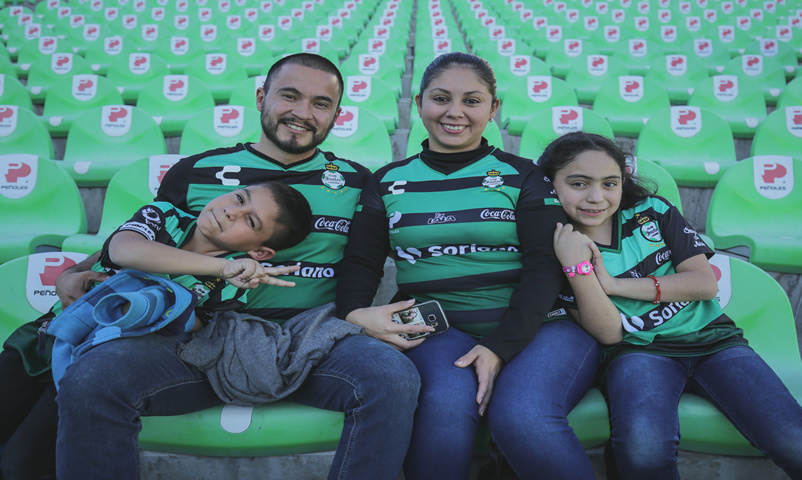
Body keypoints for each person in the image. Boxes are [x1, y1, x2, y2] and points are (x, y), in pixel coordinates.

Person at [52, 53, 424, 480]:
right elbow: (147, 234)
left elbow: (369, 259)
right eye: (289, 96)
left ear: (336, 116)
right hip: (196, 337)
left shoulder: (358, 181)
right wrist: (73, 271)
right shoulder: (195, 171)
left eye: (321, 104)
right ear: (262, 97)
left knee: (392, 377)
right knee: (92, 379)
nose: (303, 113)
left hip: (312, 339)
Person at [335, 52, 601, 479]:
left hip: (542, 327)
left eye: (472, 101)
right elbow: (362, 262)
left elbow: (544, 267)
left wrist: (499, 347)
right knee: (443, 408)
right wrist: (353, 312)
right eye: (441, 98)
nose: (454, 112)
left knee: (523, 416)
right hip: (438, 327)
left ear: (494, 109)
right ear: (419, 103)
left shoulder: (524, 176)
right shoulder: (385, 181)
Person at [0, 182, 308, 480]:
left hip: (87, 360)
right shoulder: (165, 215)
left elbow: (188, 327)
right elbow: (123, 250)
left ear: (259, 253)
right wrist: (221, 268)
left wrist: (174, 303)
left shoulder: (234, 285)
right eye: (239, 199)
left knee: (19, 464)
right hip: (44, 337)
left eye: (250, 222)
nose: (231, 212)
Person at [538, 131, 802, 479]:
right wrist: (578, 268)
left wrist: (616, 285)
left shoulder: (654, 211)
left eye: (609, 183)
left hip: (713, 342)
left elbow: (704, 283)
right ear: (549, 184)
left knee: (793, 440)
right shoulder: (555, 245)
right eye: (578, 183)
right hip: (637, 352)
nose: (596, 197)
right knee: (643, 452)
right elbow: (610, 332)